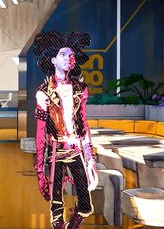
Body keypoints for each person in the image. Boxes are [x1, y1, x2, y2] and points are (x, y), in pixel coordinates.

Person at [34, 31, 98, 229]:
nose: (69, 59)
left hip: (76, 149)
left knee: (86, 206)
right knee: (56, 209)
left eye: (71, 55)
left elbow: (84, 125)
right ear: (53, 60)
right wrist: (39, 170)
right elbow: (40, 132)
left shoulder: (81, 89)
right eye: (64, 54)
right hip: (55, 152)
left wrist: (90, 159)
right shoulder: (44, 92)